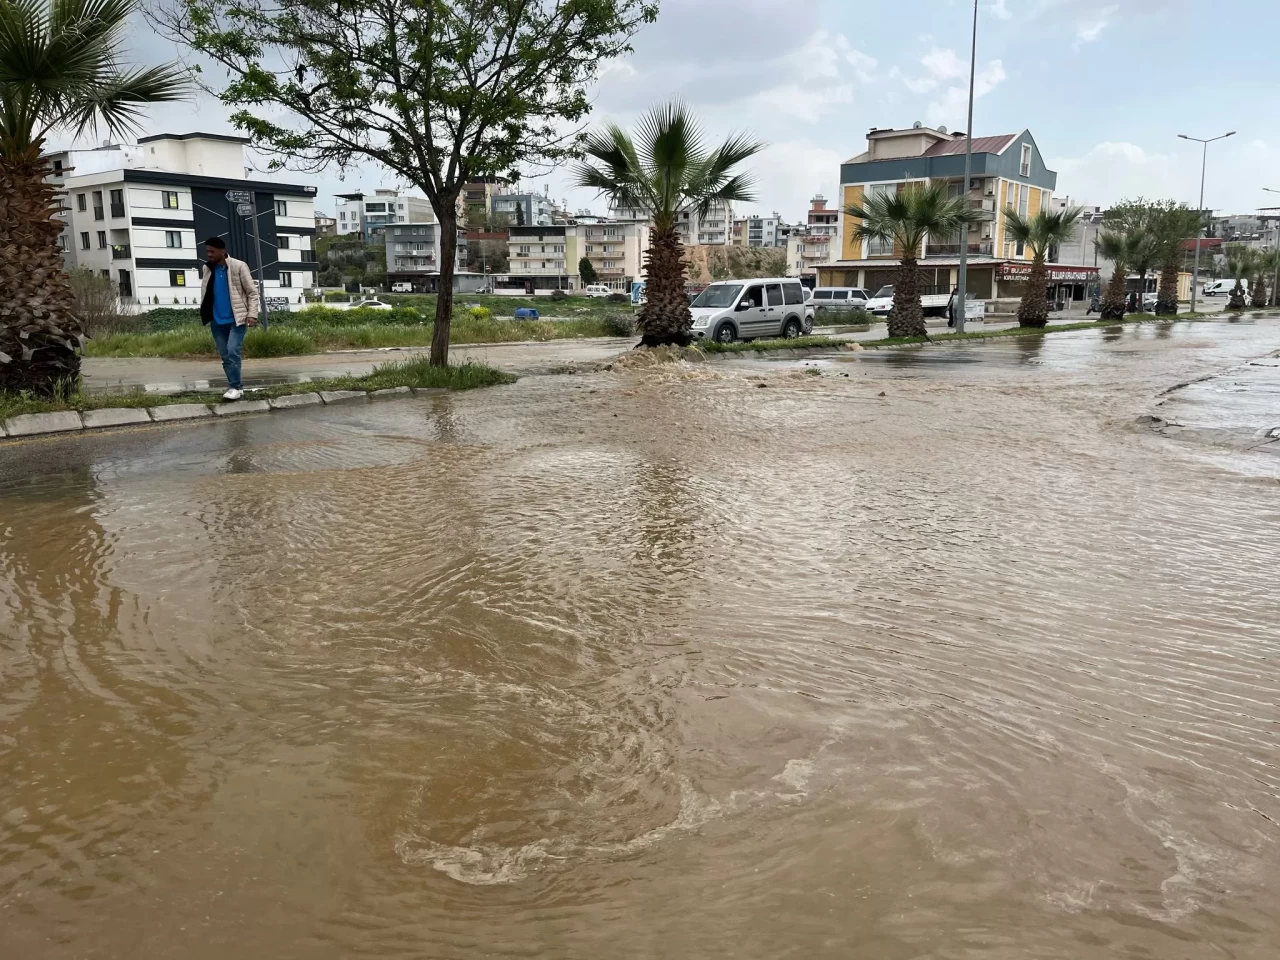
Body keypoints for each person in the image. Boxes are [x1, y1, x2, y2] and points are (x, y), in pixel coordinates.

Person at [200, 237, 259, 401]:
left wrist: (252, 314)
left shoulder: (239, 266)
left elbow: (252, 293)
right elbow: (206, 293)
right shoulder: (207, 268)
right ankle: (237, 387)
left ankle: (234, 387)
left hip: (237, 319)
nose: (209, 254)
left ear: (222, 251)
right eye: (207, 251)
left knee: (233, 351)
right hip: (216, 321)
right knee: (225, 355)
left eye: (212, 251)